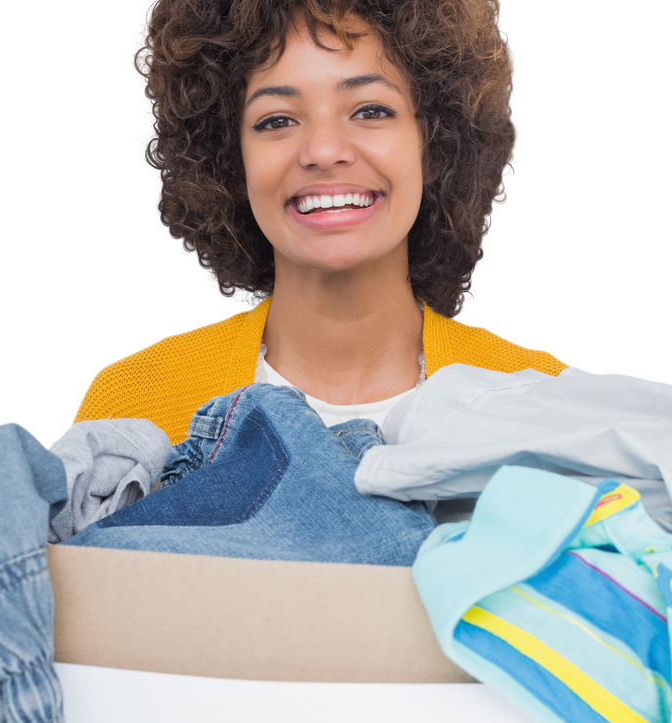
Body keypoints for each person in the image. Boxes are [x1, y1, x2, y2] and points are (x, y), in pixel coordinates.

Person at [72, 0, 568, 443]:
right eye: (278, 120)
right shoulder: (133, 408)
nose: (324, 151)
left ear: (435, 143)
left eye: (371, 110)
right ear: (228, 159)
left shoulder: (547, 403)